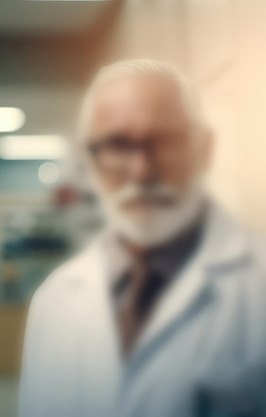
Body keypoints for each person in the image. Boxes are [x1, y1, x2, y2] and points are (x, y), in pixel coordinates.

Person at [18, 58, 266, 417]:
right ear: (90, 161)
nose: (142, 171)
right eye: (118, 145)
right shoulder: (53, 302)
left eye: (164, 141)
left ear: (206, 148)